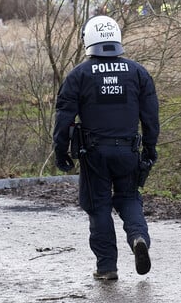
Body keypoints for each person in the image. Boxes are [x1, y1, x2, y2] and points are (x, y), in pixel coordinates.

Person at [53, 15, 160, 281]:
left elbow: (64, 117)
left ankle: (106, 267)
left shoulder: (79, 75)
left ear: (88, 39)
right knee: (129, 198)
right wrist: (149, 147)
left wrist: (61, 150)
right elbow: (150, 116)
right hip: (128, 151)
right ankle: (138, 237)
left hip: (94, 155)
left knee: (99, 206)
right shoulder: (138, 72)